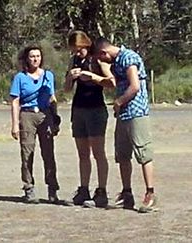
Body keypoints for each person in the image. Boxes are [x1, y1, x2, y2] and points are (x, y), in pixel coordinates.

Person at [91, 37, 157, 213]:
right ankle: (127, 193)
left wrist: (119, 101)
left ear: (104, 52)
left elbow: (134, 86)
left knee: (143, 153)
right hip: (124, 115)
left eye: (101, 58)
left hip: (136, 112)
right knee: (122, 155)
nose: (103, 61)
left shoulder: (128, 57)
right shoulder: (116, 62)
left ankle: (150, 193)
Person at [64, 31, 115, 208]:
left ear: (86, 45)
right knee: (82, 153)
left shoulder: (98, 60)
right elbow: (66, 90)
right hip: (78, 109)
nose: (77, 53)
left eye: (79, 50)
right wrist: (71, 77)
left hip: (96, 109)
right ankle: (83, 188)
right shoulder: (74, 61)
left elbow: (112, 82)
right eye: (74, 51)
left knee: (98, 152)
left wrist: (94, 77)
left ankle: (101, 191)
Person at [10, 45, 60, 204]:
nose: (35, 59)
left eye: (38, 56)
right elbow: (15, 101)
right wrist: (15, 125)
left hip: (45, 114)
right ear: (26, 59)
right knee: (27, 152)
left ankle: (52, 189)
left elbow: (52, 98)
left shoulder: (48, 76)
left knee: (48, 153)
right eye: (32, 56)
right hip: (27, 114)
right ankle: (28, 188)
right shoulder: (20, 77)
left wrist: (55, 119)